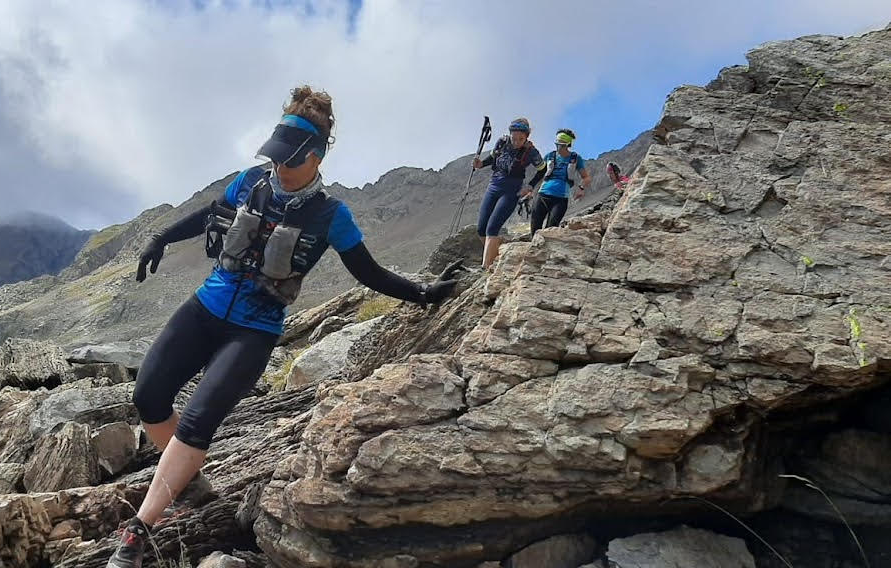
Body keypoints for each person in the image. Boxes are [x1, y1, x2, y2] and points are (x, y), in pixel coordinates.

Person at [108, 85, 465, 568]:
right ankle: (187, 483)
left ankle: (139, 533)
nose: (280, 167)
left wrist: (423, 294)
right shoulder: (252, 181)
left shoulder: (332, 215)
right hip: (205, 308)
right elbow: (209, 213)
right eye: (276, 157)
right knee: (148, 397)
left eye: (291, 160)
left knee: (196, 423)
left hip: (254, 330)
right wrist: (160, 238)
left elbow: (368, 272)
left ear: (316, 157)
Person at [472, 118, 546, 269]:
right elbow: (492, 157)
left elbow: (542, 169)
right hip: (494, 186)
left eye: (521, 139)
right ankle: (497, 252)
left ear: (526, 137)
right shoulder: (502, 142)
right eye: (514, 138)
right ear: (510, 134)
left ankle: (486, 267)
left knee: (492, 228)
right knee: (481, 229)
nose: (517, 141)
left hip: (512, 190)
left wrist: (530, 186)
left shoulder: (531, 152)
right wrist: (480, 164)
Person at [530, 128, 591, 236]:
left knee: (551, 230)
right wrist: (530, 190)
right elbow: (540, 174)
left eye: (562, 145)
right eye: (557, 144)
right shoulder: (549, 156)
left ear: (568, 144)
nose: (559, 147)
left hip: (561, 199)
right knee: (535, 228)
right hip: (542, 195)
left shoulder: (575, 158)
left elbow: (586, 177)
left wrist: (581, 188)